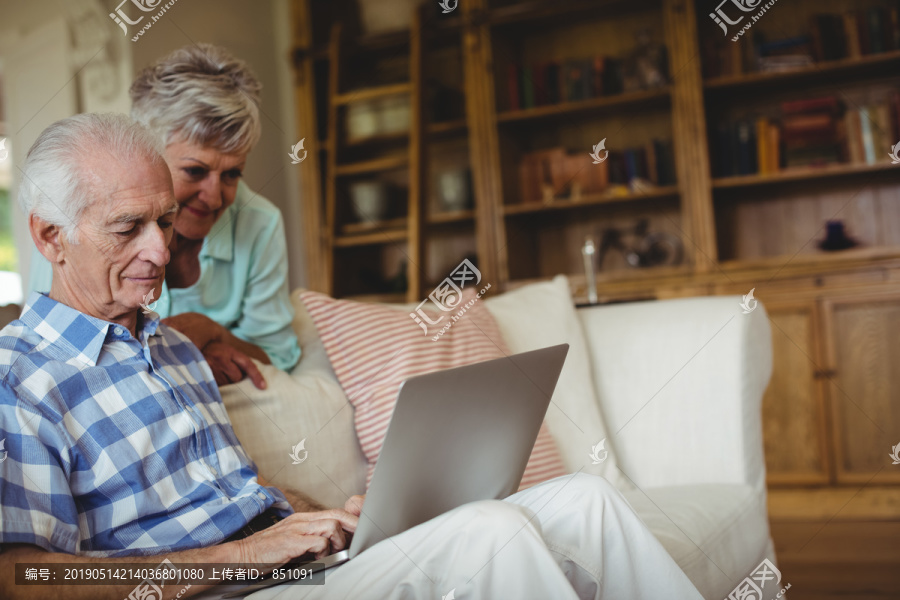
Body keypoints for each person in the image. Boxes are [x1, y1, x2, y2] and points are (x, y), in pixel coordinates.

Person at [1, 115, 704, 600]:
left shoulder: (175, 347)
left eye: (162, 221)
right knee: (490, 532)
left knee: (585, 499)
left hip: (294, 573)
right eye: (128, 228)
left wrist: (332, 518)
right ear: (49, 237)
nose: (161, 250)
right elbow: (23, 580)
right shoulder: (20, 380)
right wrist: (240, 556)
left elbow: (244, 501)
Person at [26, 44, 300, 388]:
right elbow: (53, 345)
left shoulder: (260, 222)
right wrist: (184, 357)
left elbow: (279, 356)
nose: (215, 198)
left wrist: (214, 334)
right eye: (195, 171)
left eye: (232, 175)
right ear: (147, 156)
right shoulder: (74, 224)